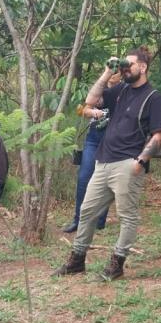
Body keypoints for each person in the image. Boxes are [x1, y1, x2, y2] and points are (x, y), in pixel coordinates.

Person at [54, 48, 161, 281]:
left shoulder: (153, 97)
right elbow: (90, 102)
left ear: (143, 67)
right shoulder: (121, 90)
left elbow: (158, 135)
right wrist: (107, 73)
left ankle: (117, 263)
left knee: (127, 216)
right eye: (124, 65)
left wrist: (141, 161)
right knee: (86, 211)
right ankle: (77, 260)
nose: (125, 68)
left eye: (130, 64)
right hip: (103, 161)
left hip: (128, 163)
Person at [59, 71, 121, 235]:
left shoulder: (125, 91)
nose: (114, 75)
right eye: (111, 72)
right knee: (84, 177)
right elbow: (83, 109)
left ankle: (99, 221)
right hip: (94, 138)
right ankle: (78, 220)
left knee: (106, 180)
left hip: (113, 140)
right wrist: (94, 113)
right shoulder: (99, 89)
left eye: (118, 72)